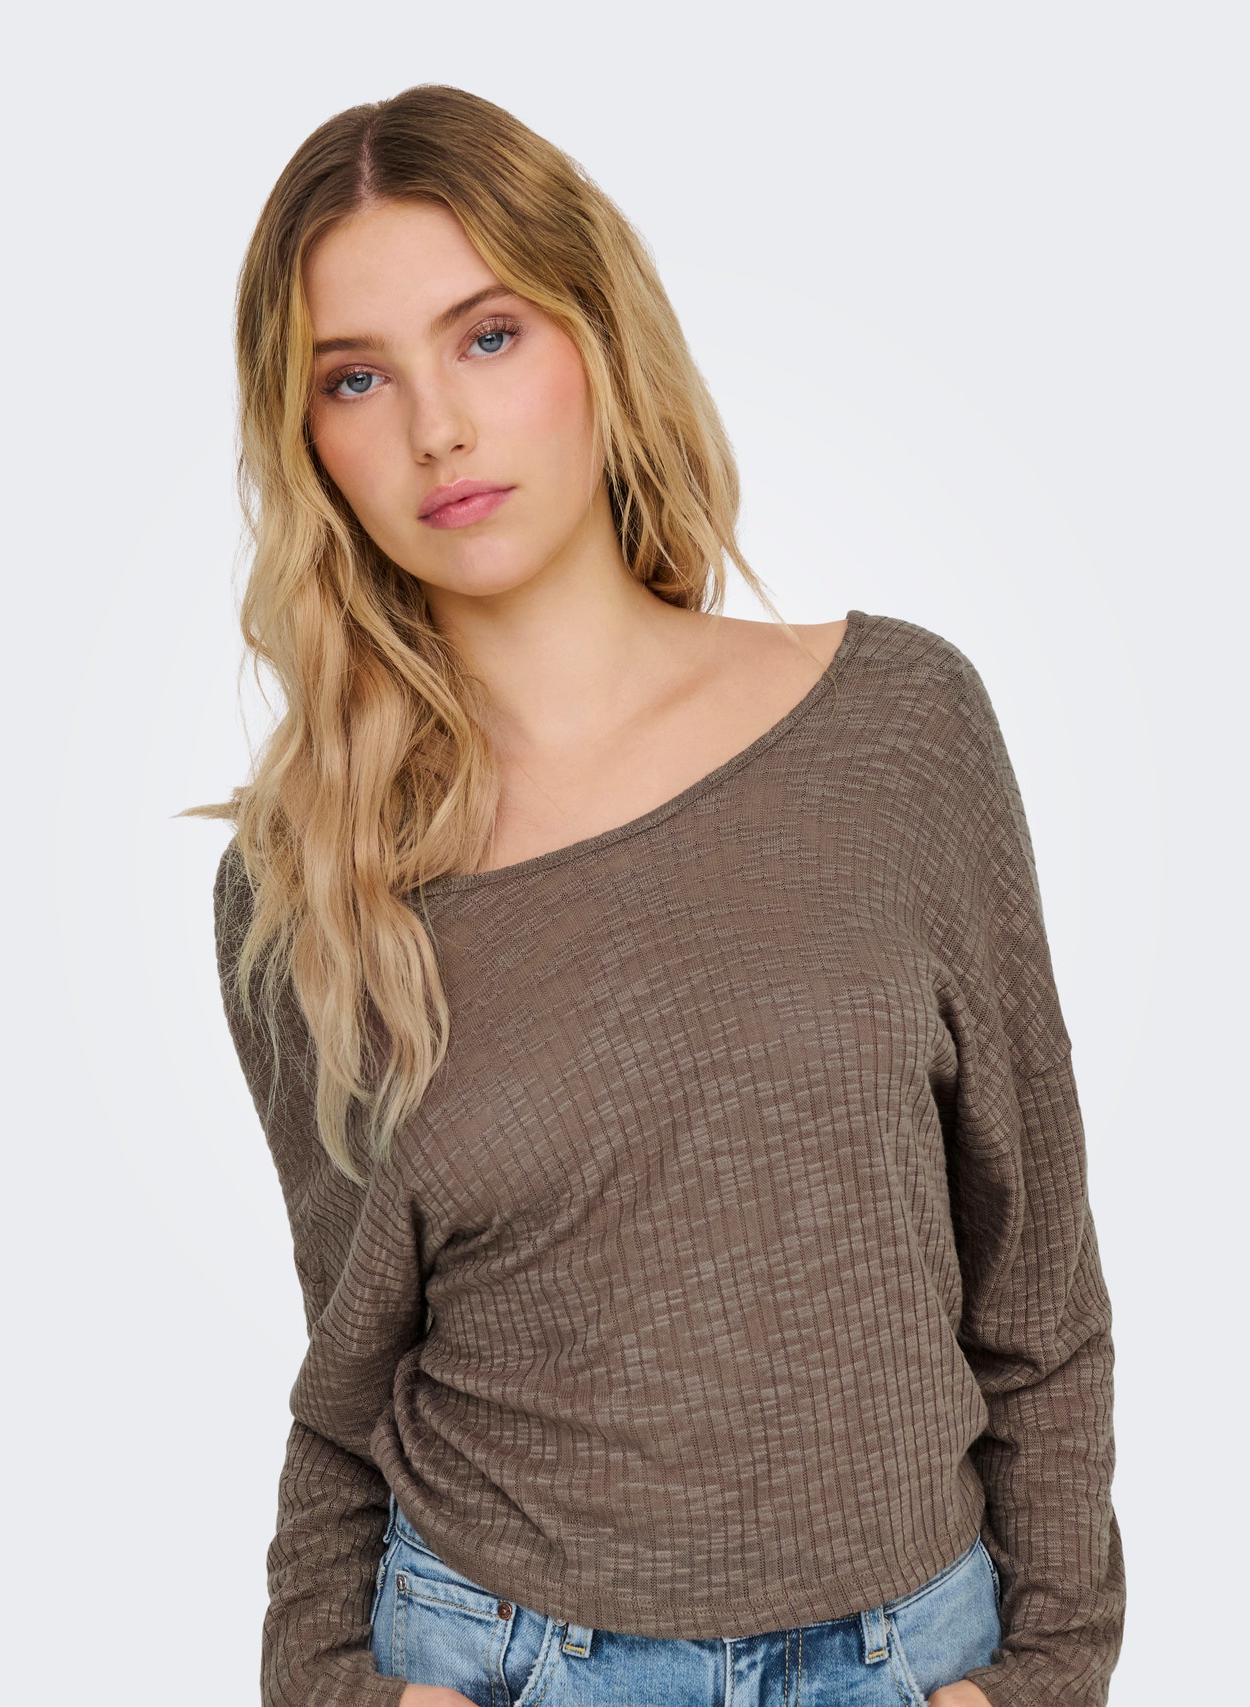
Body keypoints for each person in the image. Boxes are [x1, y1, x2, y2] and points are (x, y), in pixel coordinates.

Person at [193, 84, 1125, 1707]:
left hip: (911, 1662)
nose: (437, 428)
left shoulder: (900, 730)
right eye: (357, 377)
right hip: (505, 1659)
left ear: (598, 334)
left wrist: (1046, 1673)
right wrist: (338, 1687)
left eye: (487, 337)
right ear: (311, 444)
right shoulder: (309, 886)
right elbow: (348, 1383)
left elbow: (1037, 1282)